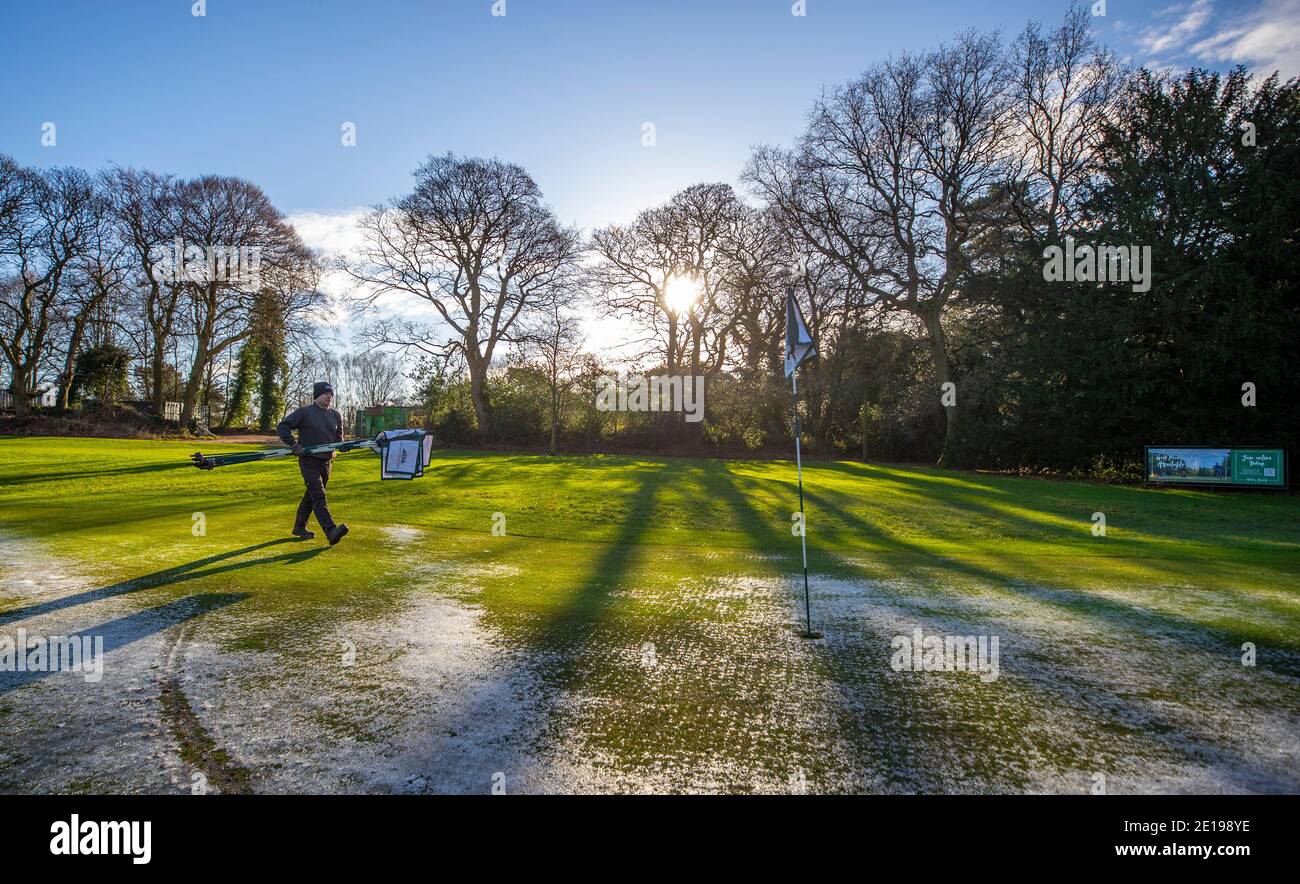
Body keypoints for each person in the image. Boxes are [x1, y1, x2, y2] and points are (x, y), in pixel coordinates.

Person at [276, 382, 349, 545]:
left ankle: (299, 527)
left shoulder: (336, 415)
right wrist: (293, 445)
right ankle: (330, 530)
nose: (329, 396)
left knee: (311, 496)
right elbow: (282, 427)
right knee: (318, 495)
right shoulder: (305, 412)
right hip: (309, 461)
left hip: (327, 462)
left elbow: (339, 438)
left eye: (331, 394)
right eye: (325, 394)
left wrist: (341, 446)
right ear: (317, 395)